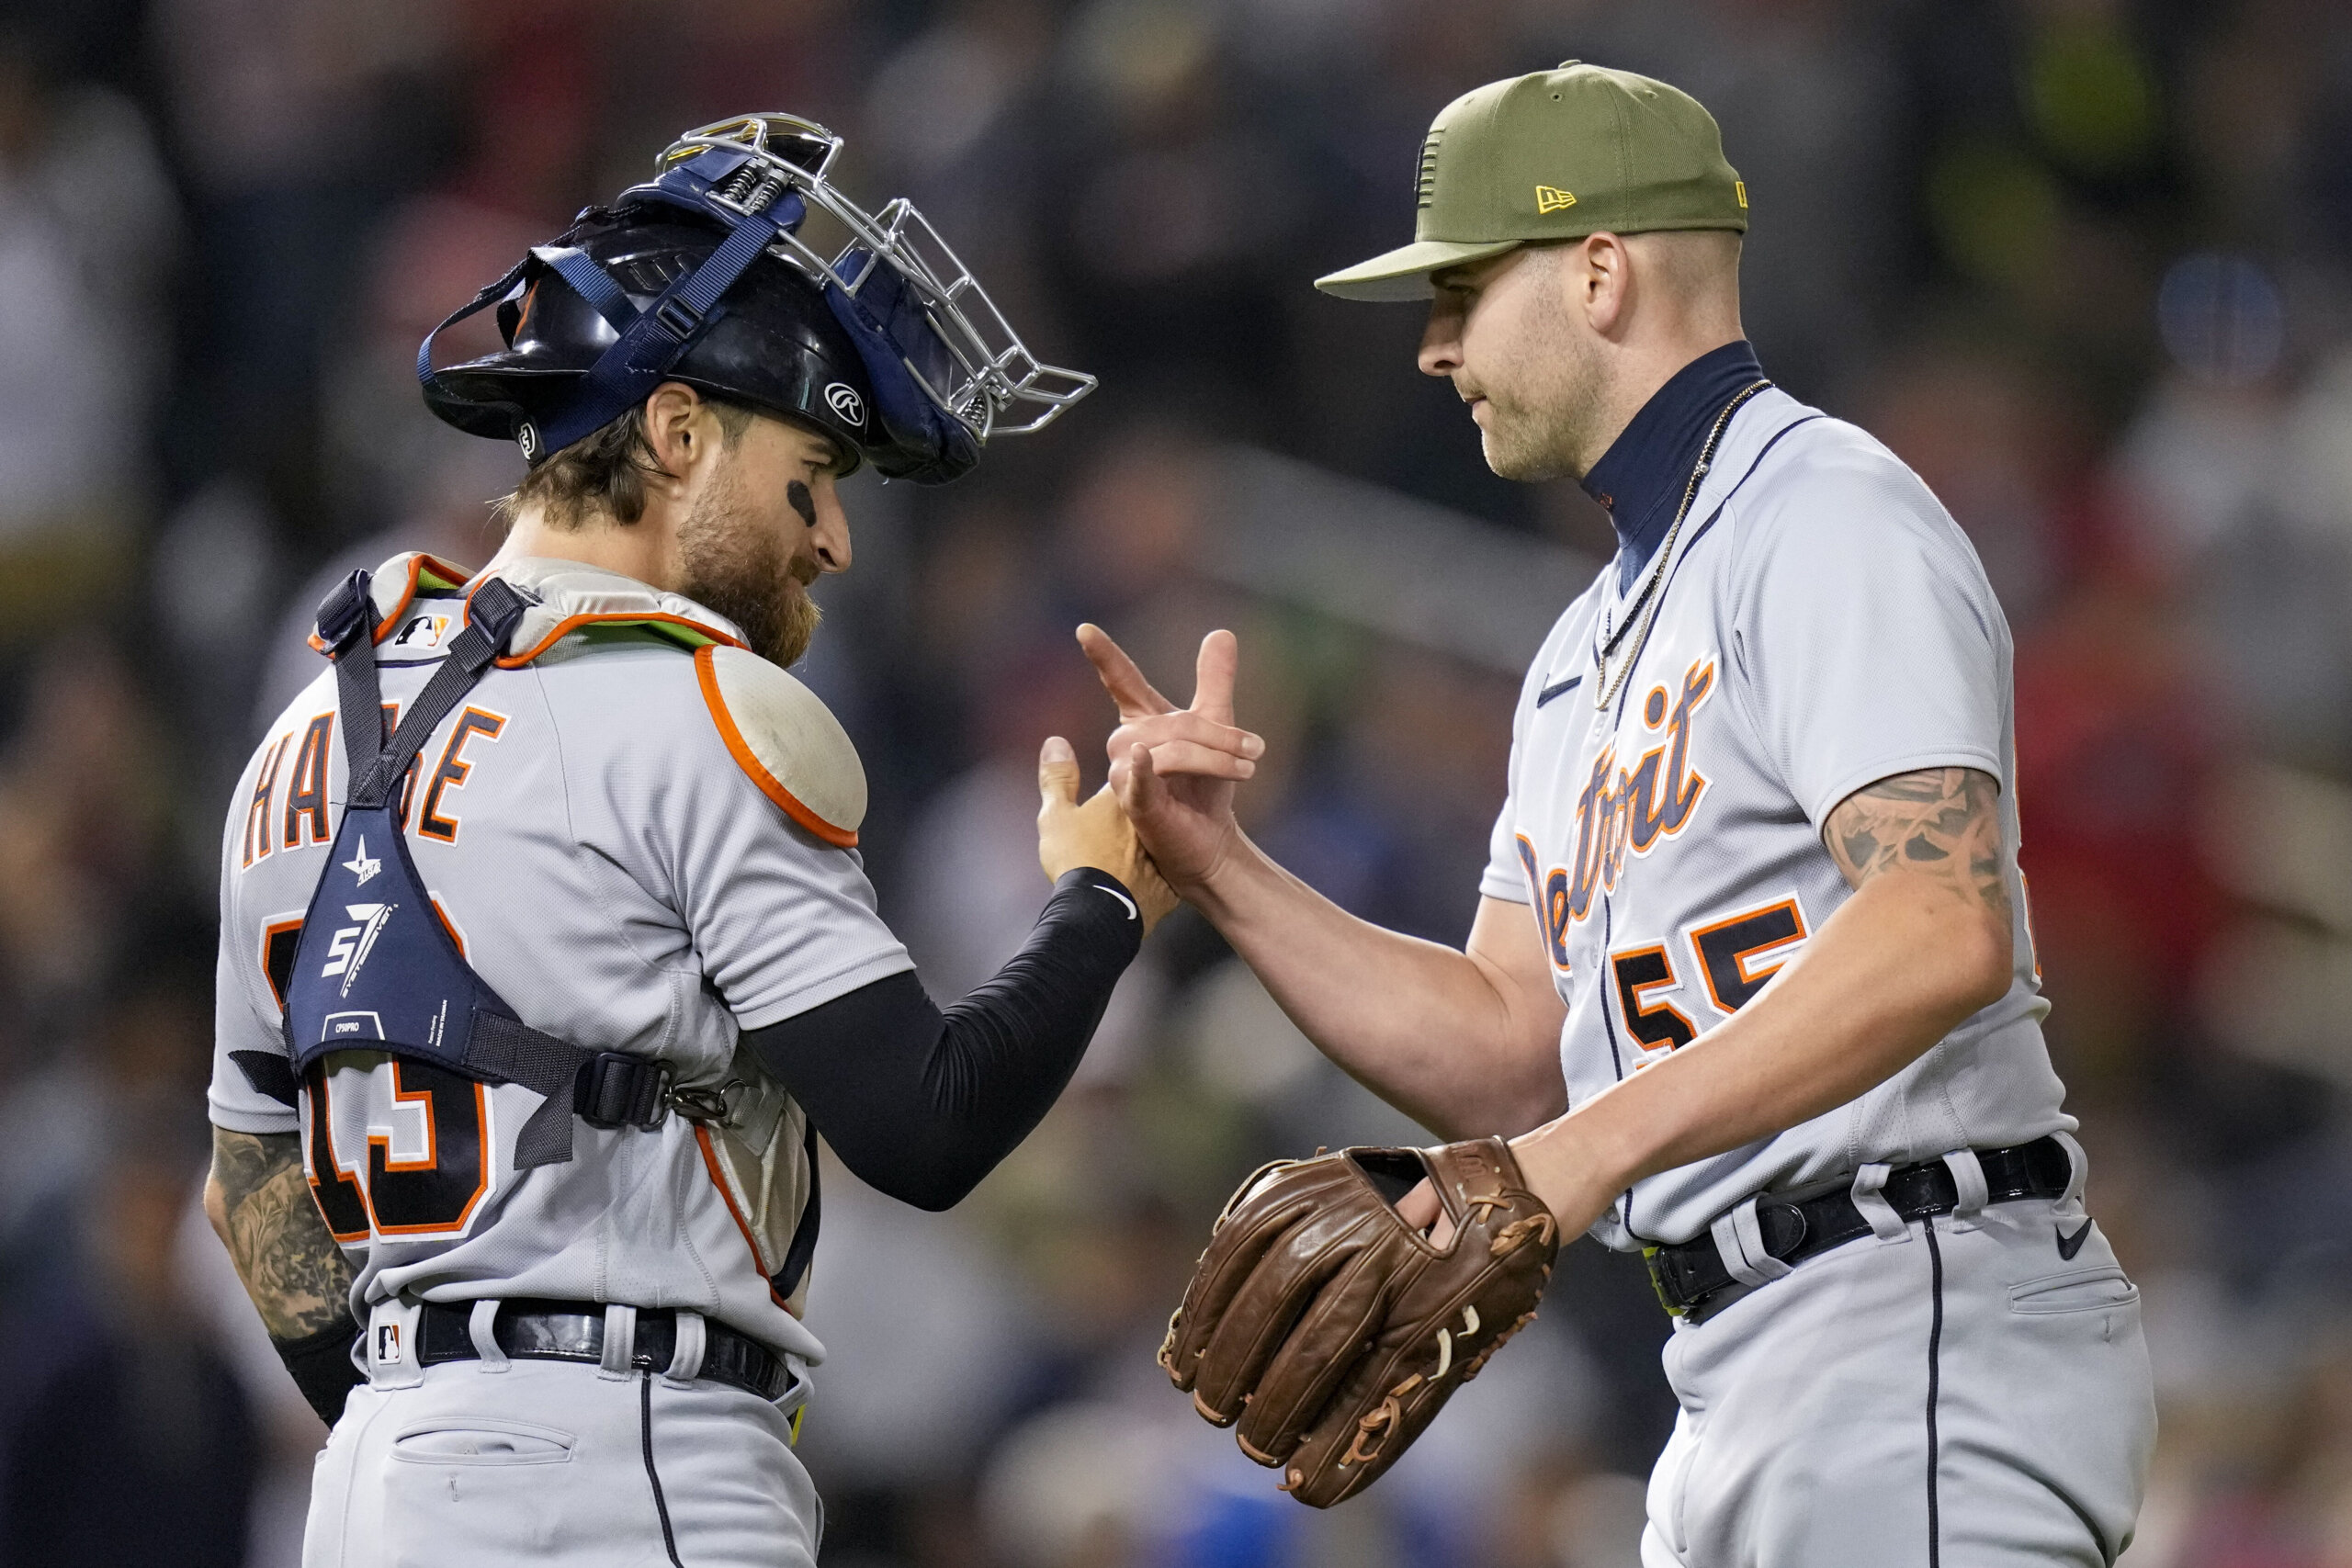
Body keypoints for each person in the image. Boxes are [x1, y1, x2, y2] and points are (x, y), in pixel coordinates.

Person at [1083, 63, 2154, 1566]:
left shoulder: (1822, 513)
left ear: (1596, 272)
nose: (1434, 349)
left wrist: (1577, 1168)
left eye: (1459, 292)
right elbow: (1516, 1057)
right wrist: (1227, 871)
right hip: (1739, 1373)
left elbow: (1942, 925)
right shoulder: (1578, 656)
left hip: (1915, 1310)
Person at [201, 113, 1170, 1568]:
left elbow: (251, 1190)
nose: (834, 539)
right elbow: (926, 1126)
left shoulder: (306, 733)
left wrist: (430, 1431)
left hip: (375, 1489)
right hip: (627, 1460)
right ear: (675, 432)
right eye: (811, 473)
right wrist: (1105, 894)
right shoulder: (701, 706)